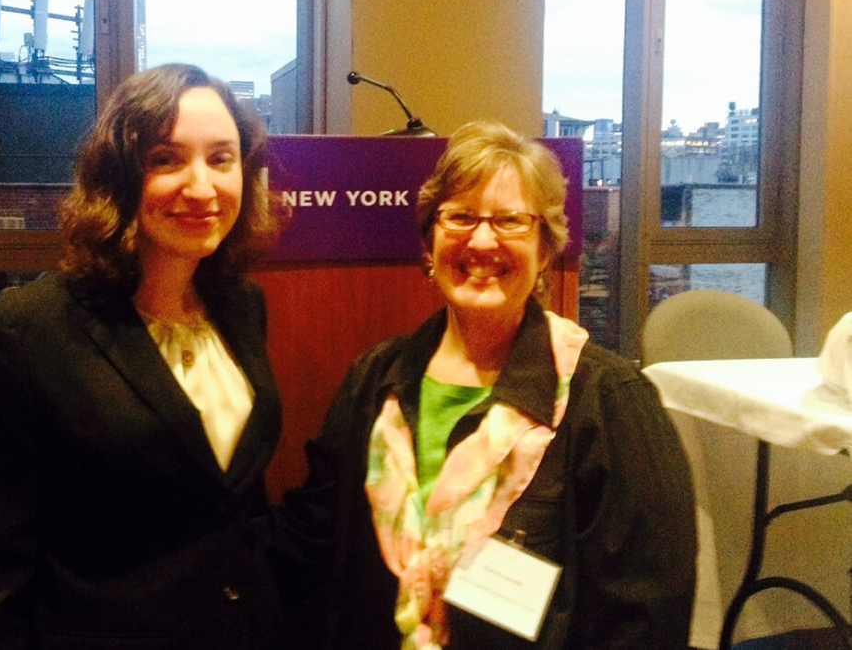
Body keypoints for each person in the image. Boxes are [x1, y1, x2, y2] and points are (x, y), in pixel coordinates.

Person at [281, 121, 697, 649]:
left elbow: (646, 620)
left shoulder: (609, 401)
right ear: (429, 244)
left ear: (546, 249)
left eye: (509, 221)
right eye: (459, 217)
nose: (481, 240)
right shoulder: (373, 382)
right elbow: (311, 550)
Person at [0, 63, 288, 648]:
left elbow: (233, 501)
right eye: (167, 159)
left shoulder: (240, 306)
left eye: (222, 159)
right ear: (119, 178)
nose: (202, 187)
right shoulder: (19, 334)